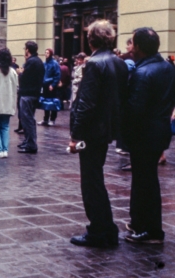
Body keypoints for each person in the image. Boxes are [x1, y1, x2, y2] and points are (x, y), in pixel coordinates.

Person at [68, 20, 129, 248]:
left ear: (90, 38)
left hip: (92, 131)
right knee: (96, 179)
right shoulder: (119, 62)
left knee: (91, 182)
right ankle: (105, 228)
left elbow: (86, 103)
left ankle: (99, 231)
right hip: (107, 129)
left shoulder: (94, 63)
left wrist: (76, 135)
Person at [123, 27, 175, 244]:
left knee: (145, 181)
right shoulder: (168, 67)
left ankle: (151, 230)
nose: (131, 48)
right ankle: (139, 222)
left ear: (140, 47)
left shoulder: (142, 73)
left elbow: (135, 109)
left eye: (132, 43)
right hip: (159, 131)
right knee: (146, 179)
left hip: (143, 134)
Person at [16, 41, 45, 154]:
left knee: (27, 119)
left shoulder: (31, 61)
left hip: (28, 93)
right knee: (29, 118)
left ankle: (31, 144)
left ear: (27, 50)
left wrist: (20, 72)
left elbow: (25, 77)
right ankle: (28, 141)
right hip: (34, 93)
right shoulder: (38, 61)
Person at [38, 48, 61, 126]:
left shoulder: (55, 64)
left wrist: (53, 84)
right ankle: (45, 119)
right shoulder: (44, 63)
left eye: (47, 53)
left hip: (51, 85)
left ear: (51, 54)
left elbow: (57, 75)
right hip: (45, 85)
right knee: (45, 102)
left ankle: (52, 119)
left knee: (53, 102)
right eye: (45, 52)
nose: (46, 54)